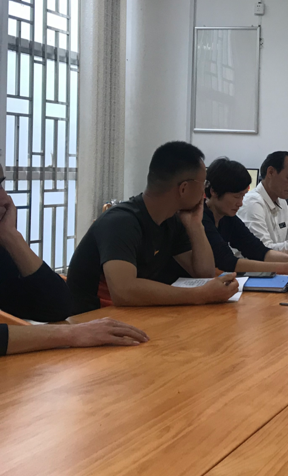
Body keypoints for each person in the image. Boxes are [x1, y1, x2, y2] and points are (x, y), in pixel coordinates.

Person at [67, 141, 239, 314]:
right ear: (184, 188)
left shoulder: (172, 220)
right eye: (203, 184)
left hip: (133, 315)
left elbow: (204, 274)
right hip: (91, 317)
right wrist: (200, 295)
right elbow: (123, 291)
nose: (204, 193)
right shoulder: (121, 222)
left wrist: (196, 225)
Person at [0, 164, 148, 354]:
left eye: (2, 184)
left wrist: (11, 237)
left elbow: (57, 307)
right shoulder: (122, 220)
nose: (5, 199)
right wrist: (71, 334)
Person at [204, 158, 288, 276]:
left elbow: (259, 251)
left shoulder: (228, 218)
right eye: (236, 197)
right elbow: (228, 262)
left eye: (243, 196)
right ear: (214, 191)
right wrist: (284, 267)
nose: (240, 203)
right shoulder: (203, 219)